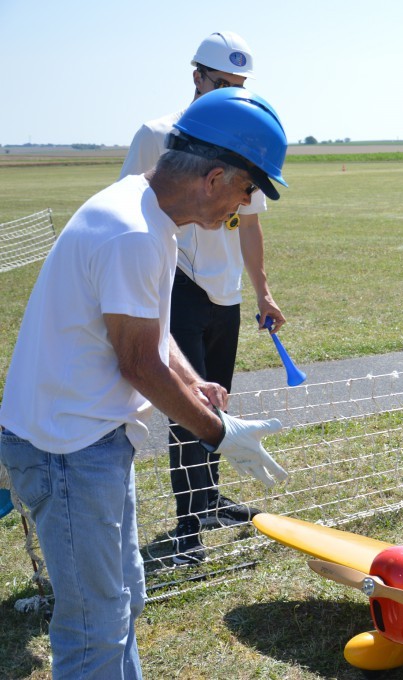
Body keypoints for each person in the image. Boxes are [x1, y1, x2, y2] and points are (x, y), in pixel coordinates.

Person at [0, 87, 290, 679]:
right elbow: (137, 362)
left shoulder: (146, 213)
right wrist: (218, 434)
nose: (243, 207)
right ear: (213, 177)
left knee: (125, 596)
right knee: (95, 628)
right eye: (247, 189)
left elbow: (149, 332)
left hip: (93, 441)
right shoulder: (134, 233)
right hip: (69, 451)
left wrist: (194, 382)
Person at [120, 31, 287, 564]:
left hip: (227, 290)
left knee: (217, 396)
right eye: (220, 82)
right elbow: (131, 206)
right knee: (187, 404)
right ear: (196, 76)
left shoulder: (246, 137)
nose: (229, 93)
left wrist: (262, 291)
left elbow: (252, 224)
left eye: (239, 85)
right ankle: (187, 528)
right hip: (180, 284)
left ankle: (209, 498)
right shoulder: (157, 134)